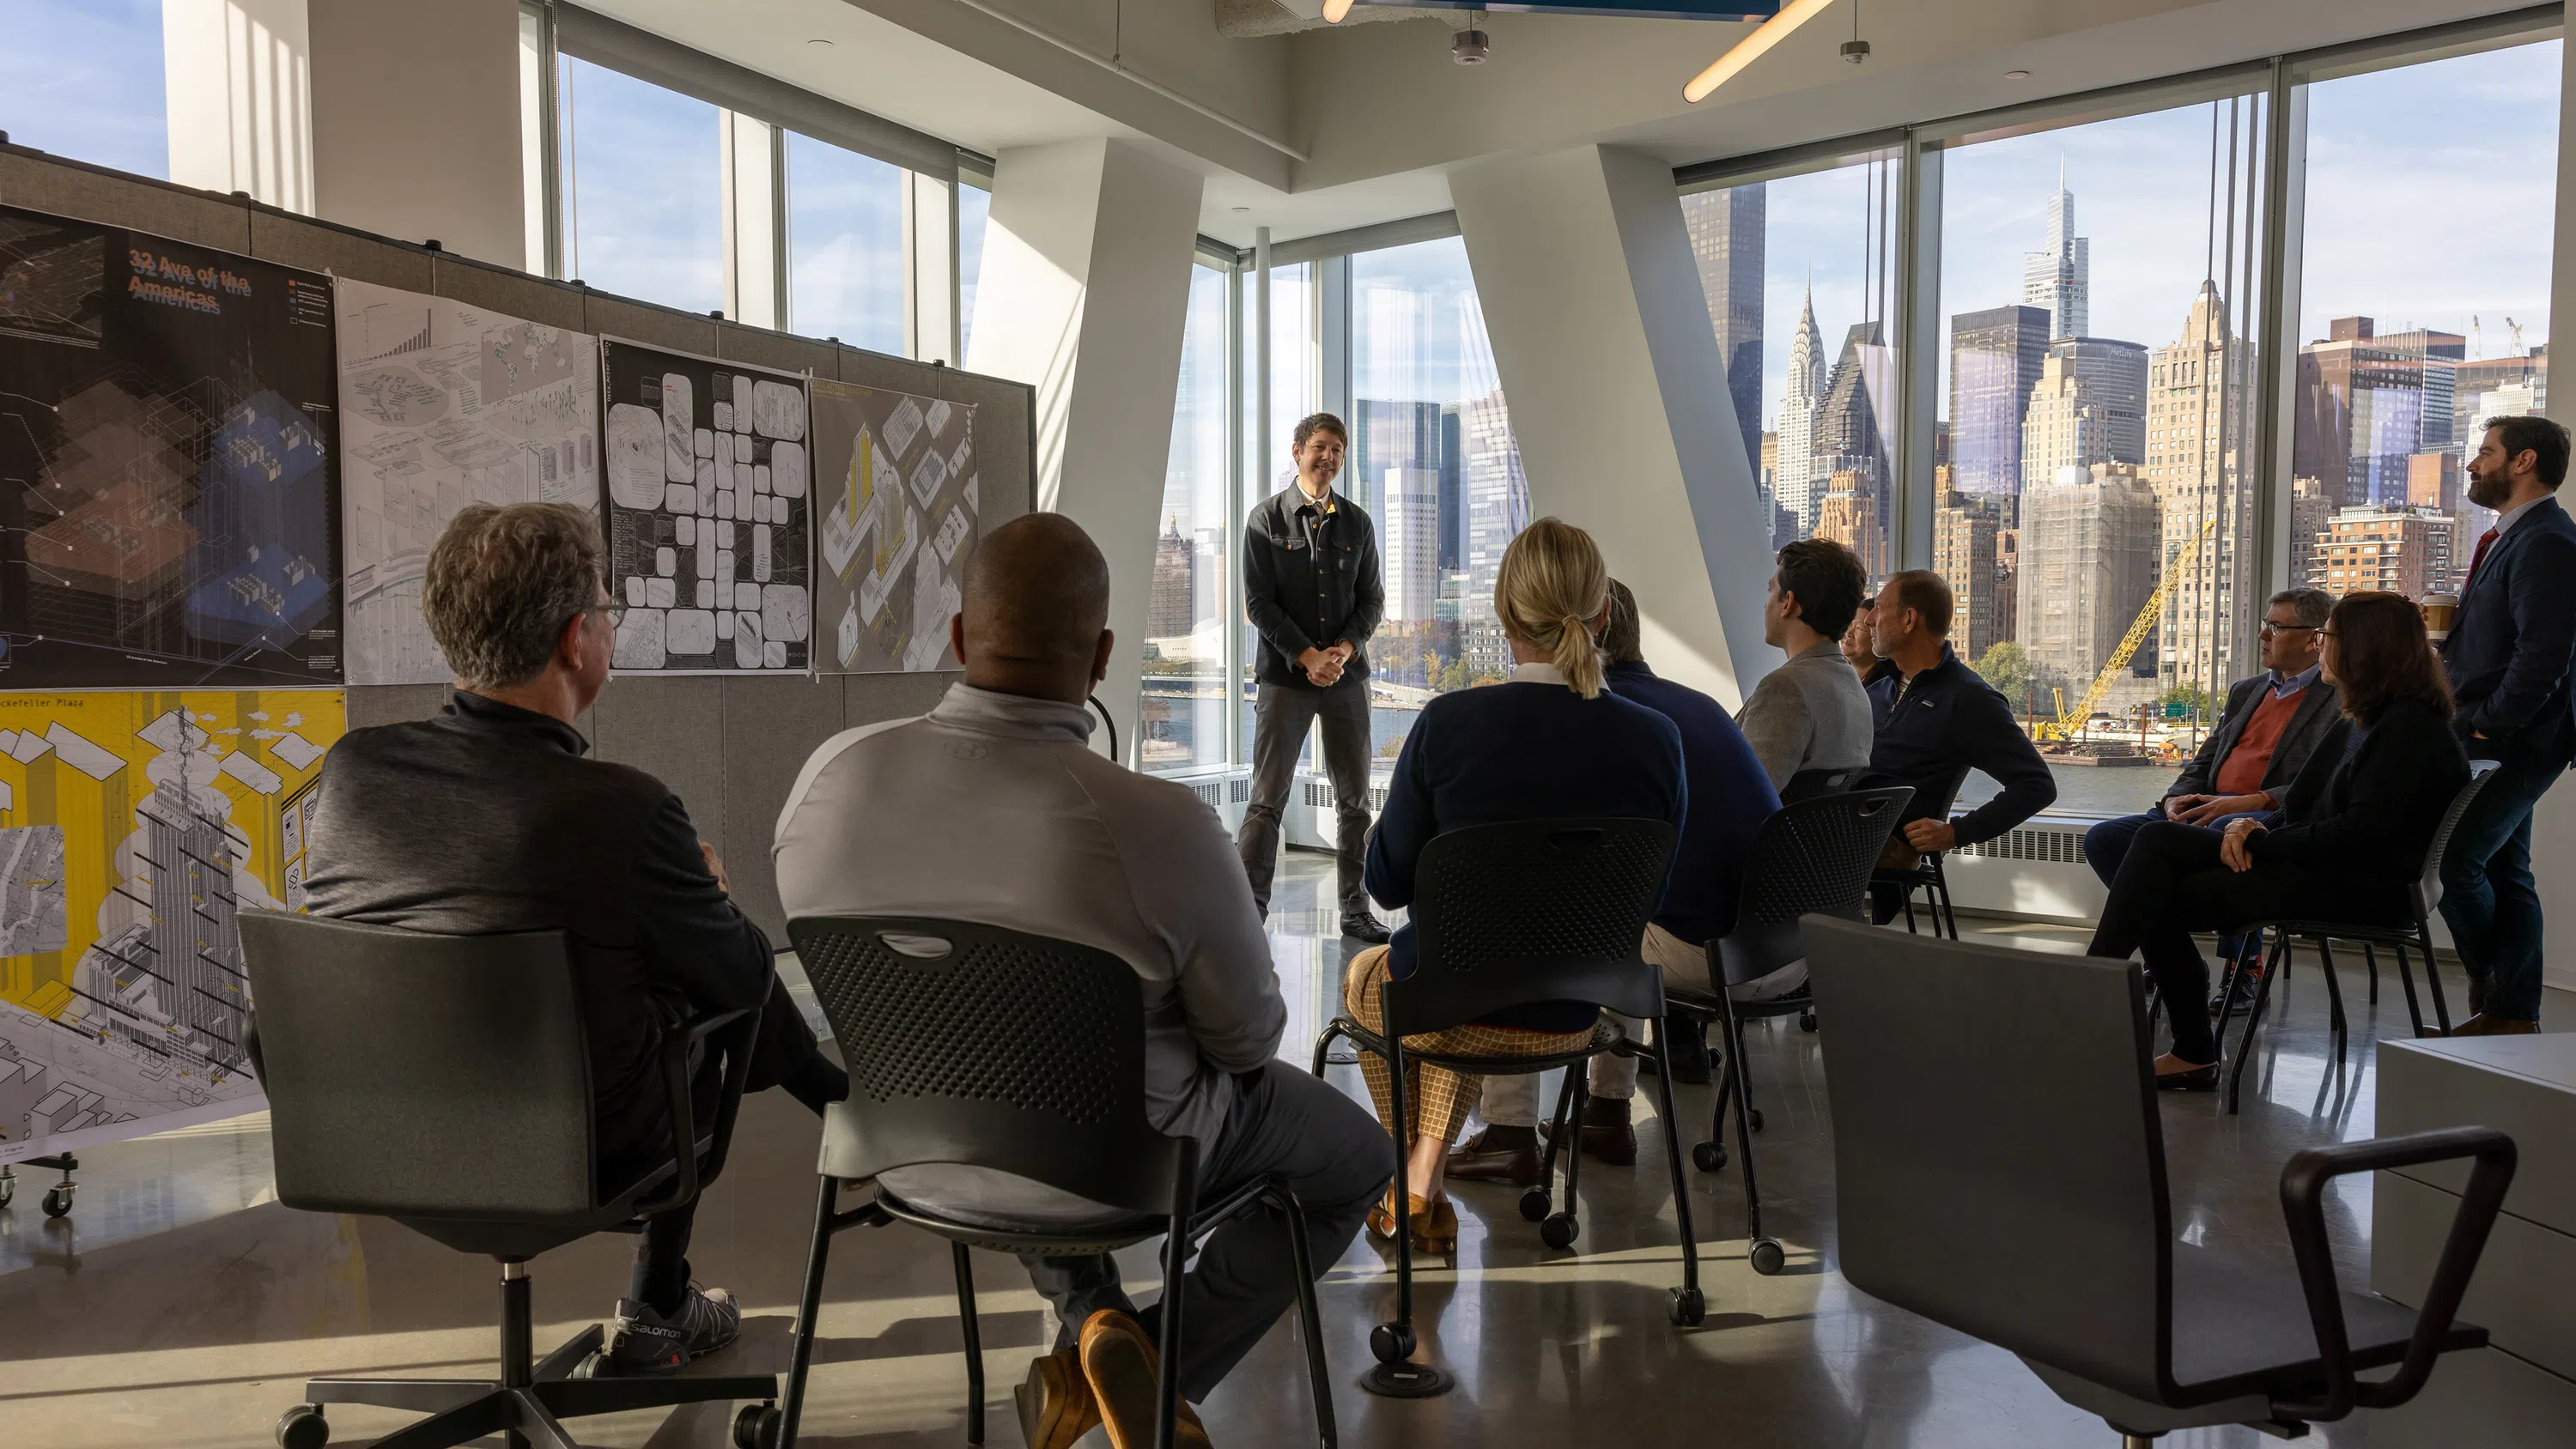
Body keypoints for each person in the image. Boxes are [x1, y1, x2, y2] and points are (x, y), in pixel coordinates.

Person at [774, 513, 1391, 1449]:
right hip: (1118, 1166)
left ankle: (1094, 1327)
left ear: (956, 636)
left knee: (1010, 1076)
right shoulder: (1161, 825)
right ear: (1103, 657)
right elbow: (1246, 1042)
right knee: (1355, 1164)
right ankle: (1148, 1355)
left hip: (906, 1147)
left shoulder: (827, 783)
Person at [302, 502, 848, 1376]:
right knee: (698, 988)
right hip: (572, 1152)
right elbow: (746, 980)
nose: (609, 623)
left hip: (373, 1137)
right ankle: (662, 1299)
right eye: (606, 605)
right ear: (573, 639)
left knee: (650, 958)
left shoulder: (353, 772)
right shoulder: (622, 811)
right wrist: (704, 891)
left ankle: (841, 1105)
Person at [1351, 519, 1686, 1237]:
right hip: (1584, 1009)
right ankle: (1420, 1181)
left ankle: (1412, 1181)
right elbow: (1652, 900)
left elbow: (1385, 885)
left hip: (1459, 1000)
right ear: (1603, 617)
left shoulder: (1448, 726)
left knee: (1377, 977)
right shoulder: (1658, 740)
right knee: (1457, 971)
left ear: (1503, 613)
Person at [1459, 580, 1781, 1173]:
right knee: (1622, 908)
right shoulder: (1700, 705)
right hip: (1781, 946)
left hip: (1708, 953)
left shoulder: (1603, 721)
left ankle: (1508, 1133)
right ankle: (1606, 1115)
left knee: (1513, 916)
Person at [2087, 592, 2470, 1087]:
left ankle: (2141, 1020)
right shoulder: (2379, 718)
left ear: (2362, 649)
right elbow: (2311, 805)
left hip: (2359, 887)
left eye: (2327, 637)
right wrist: (2257, 827)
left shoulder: (2405, 730)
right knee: (2156, 844)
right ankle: (2114, 997)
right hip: (2328, 866)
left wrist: (2259, 838)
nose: (2320, 645)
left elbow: (2358, 833)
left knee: (2154, 891)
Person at [2081, 589, 2346, 1007]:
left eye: (2275, 627)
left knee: (2226, 835)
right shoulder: (2248, 690)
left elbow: (2322, 785)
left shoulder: (2338, 700)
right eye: (2265, 623)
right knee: (2104, 839)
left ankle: (2243, 969)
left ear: (2315, 639)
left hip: (2262, 820)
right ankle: (2175, 956)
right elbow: (2203, 760)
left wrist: (2245, 804)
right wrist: (2175, 799)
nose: (2263, 634)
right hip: (2204, 809)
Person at [2437, 415, 2576, 1035]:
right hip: (2509, 733)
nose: (2473, 465)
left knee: (2455, 862)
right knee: (2503, 870)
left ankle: (2496, 992)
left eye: (2485, 453)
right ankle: (2511, 1011)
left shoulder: (2545, 540)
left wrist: (2490, 725)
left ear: (2523, 462)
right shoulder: (2513, 537)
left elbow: (2545, 654)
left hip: (2519, 737)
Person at [1236, 412, 1390, 943]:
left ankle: (1355, 911)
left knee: (1355, 802)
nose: (1330, 457)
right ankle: (1247, 914)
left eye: (1339, 450)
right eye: (1321, 447)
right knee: (1266, 799)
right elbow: (1259, 603)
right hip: (1285, 677)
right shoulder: (1265, 521)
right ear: (1298, 451)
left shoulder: (1359, 524)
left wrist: (1341, 653)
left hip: (1346, 677)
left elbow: (1372, 601)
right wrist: (1307, 656)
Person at [1861, 570, 2057, 922]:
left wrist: (1955, 833)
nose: (1870, 620)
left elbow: (2037, 786)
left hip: (1880, 846)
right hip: (1846, 830)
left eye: (1878, 608)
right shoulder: (1878, 687)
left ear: (1908, 620)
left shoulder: (1968, 698)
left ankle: (1803, 966)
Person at [1736, 537, 1877, 791]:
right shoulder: (1853, 687)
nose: (1766, 603)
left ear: (1788, 603)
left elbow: (1746, 796)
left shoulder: (1786, 688)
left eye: (1771, 592)